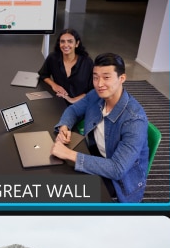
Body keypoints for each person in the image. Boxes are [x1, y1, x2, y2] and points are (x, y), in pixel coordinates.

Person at [50, 53, 150, 203]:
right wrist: (65, 126)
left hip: (120, 182)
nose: (99, 83)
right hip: (97, 156)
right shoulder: (96, 95)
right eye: (95, 77)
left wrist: (69, 154)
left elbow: (117, 169)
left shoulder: (134, 120)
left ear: (122, 78)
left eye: (106, 77)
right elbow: (73, 110)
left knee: (65, 192)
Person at [39, 27, 92, 104]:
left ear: (76, 44)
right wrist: (54, 85)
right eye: (62, 41)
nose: (65, 45)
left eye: (70, 41)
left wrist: (72, 100)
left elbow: (93, 90)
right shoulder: (53, 58)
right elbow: (43, 74)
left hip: (81, 104)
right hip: (59, 102)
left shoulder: (87, 62)